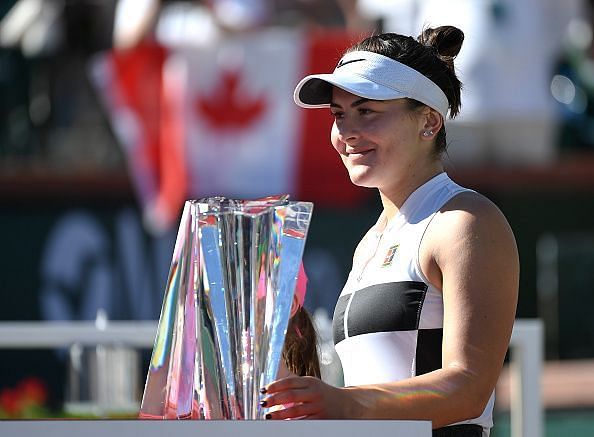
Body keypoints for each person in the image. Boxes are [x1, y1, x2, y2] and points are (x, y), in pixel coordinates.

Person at [259, 26, 519, 436]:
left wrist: (345, 404)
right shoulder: (369, 243)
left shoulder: (467, 220)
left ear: (429, 121)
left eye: (366, 112)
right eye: (339, 115)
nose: (347, 132)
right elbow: (369, 396)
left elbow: (469, 387)